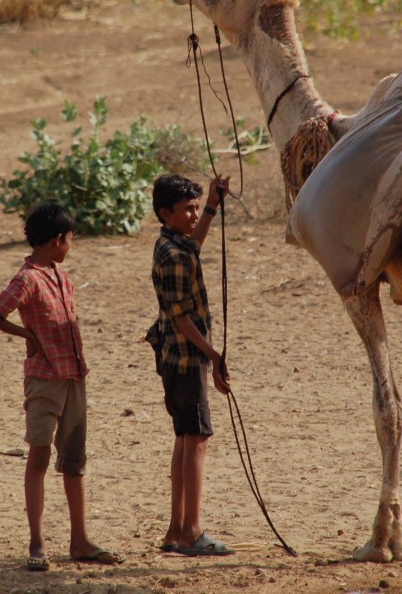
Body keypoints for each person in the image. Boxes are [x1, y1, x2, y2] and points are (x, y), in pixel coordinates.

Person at [0, 203, 122, 571]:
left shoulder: (63, 276)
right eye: (70, 239)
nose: (70, 245)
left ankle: (80, 540)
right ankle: (37, 542)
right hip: (44, 379)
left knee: (74, 461)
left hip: (74, 377)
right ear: (58, 239)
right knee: (39, 457)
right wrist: (26, 335)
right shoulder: (27, 279)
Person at [146, 173, 234, 556]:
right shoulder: (174, 256)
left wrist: (212, 204)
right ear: (165, 213)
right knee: (197, 439)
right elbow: (182, 318)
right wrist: (213, 356)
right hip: (186, 359)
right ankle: (193, 532)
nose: (194, 215)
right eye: (188, 210)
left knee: (185, 438)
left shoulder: (172, 243)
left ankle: (175, 530)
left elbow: (193, 244)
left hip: (174, 357)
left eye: (196, 208)